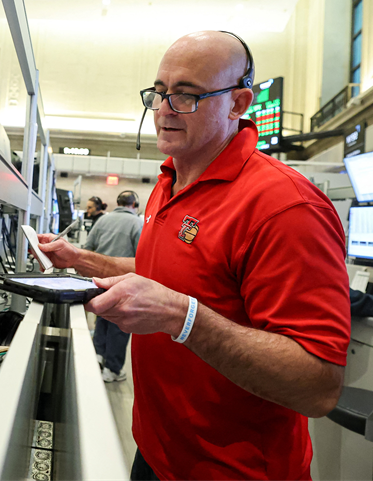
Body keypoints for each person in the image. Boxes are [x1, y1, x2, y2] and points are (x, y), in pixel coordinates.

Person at [37, 31, 350, 481]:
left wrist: (184, 317)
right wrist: (78, 259)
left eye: (186, 95)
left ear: (239, 104)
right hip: (158, 451)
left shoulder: (285, 207)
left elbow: (317, 386)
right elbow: (164, 274)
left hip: (233, 471)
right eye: (160, 92)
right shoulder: (169, 182)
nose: (164, 109)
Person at [85, 190, 142, 383]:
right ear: (134, 205)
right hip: (123, 285)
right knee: (120, 326)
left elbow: (88, 247)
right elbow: (143, 257)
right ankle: (113, 369)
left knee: (101, 317)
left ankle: (98, 357)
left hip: (100, 283)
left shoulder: (102, 221)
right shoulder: (137, 223)